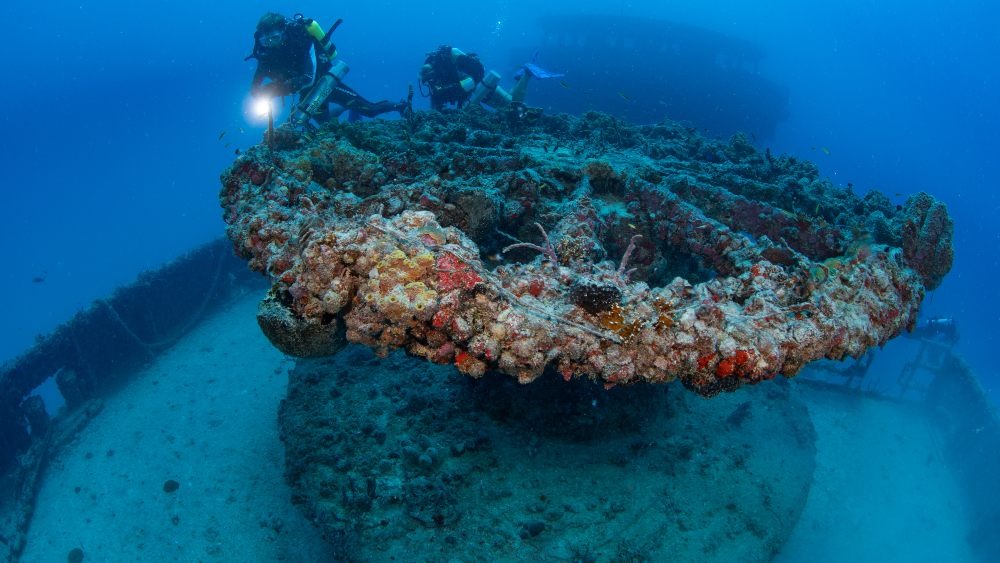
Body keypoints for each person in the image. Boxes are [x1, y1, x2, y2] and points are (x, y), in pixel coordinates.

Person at [246, 12, 407, 126]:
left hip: (326, 84)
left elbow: (309, 78)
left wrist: (273, 90)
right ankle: (344, 108)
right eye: (266, 40)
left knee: (370, 110)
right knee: (328, 127)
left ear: (283, 32)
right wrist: (260, 93)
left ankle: (400, 106)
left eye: (274, 38)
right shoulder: (266, 54)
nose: (271, 43)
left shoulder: (301, 40)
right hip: (308, 96)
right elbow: (255, 87)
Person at [418, 45, 549, 111]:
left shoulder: (446, 70)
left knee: (512, 107)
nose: (431, 82)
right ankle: (519, 77)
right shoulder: (440, 72)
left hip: (481, 88)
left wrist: (450, 91)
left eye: (431, 78)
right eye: (428, 81)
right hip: (476, 92)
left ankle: (526, 73)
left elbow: (469, 82)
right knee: (508, 104)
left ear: (433, 71)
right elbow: (436, 101)